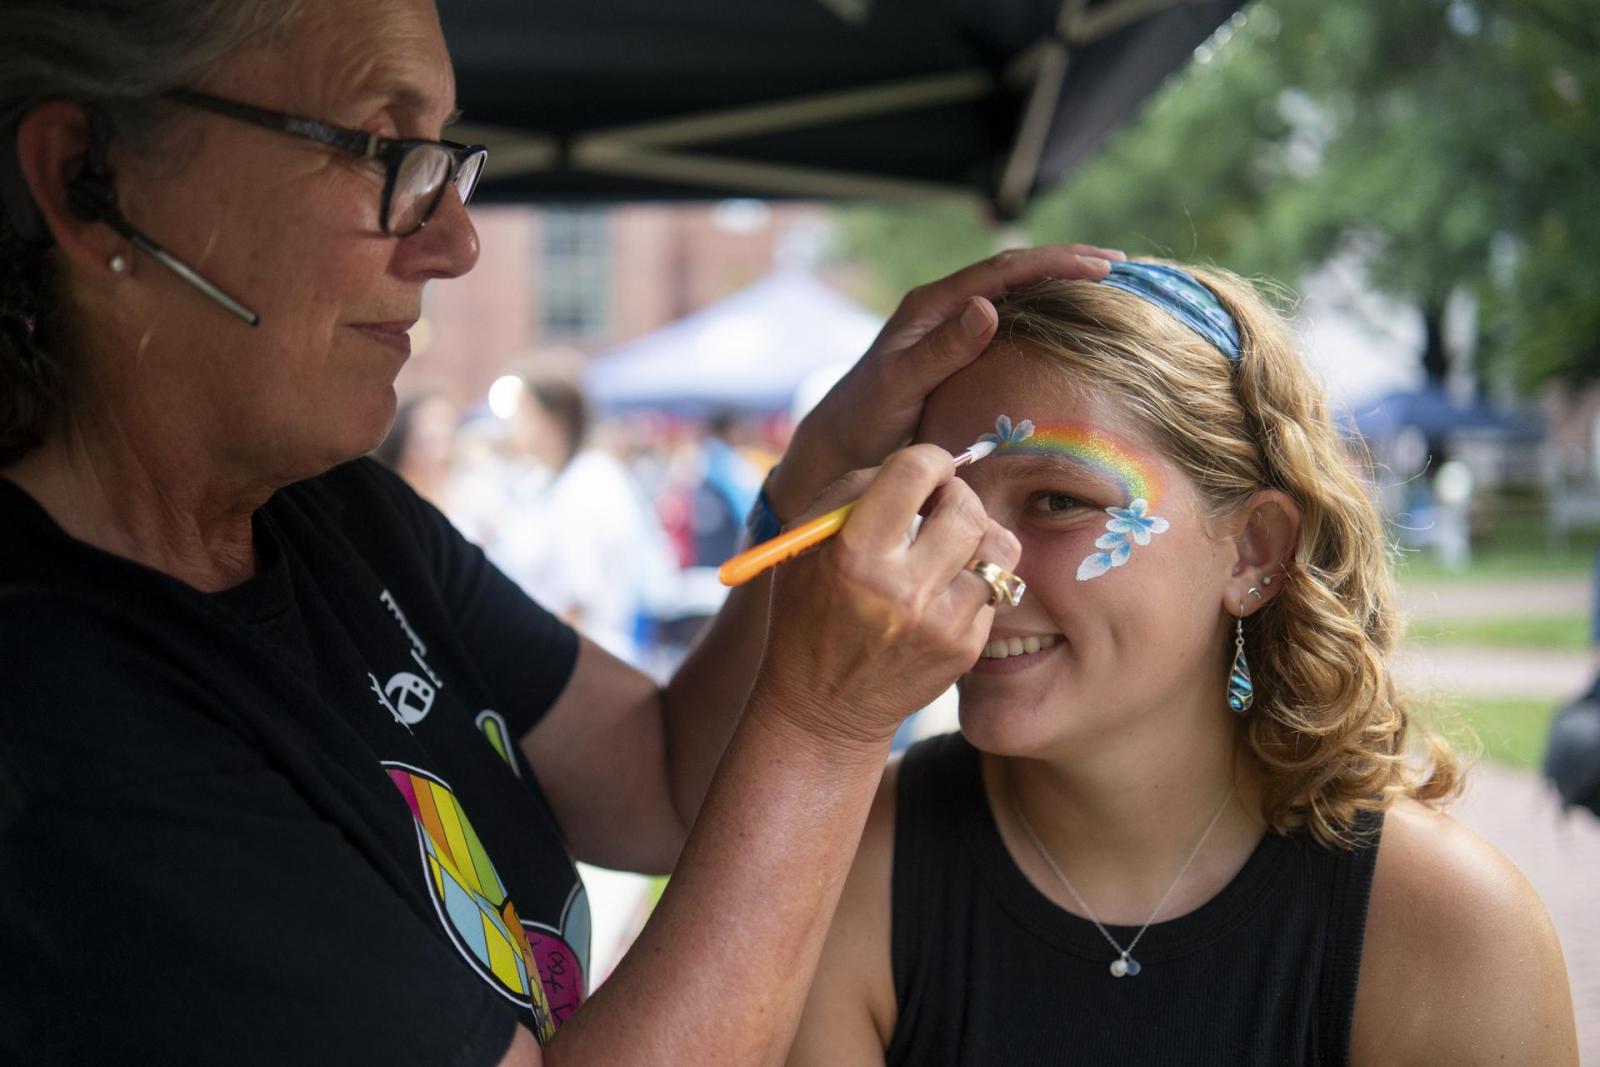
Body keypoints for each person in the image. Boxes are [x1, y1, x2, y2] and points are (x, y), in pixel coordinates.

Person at [0, 1, 1125, 1061]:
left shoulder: (331, 512)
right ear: (86, 179)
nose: (455, 241)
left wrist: (822, 470)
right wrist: (827, 723)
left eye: (445, 157)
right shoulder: (53, 709)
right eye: (380, 149)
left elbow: (662, 777)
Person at [788, 262, 1579, 1065]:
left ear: (1253, 550)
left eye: (1058, 500)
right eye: (934, 505)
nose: (967, 561)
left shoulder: (1448, 928)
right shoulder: (851, 866)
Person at [373, 389, 460, 507]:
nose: (443, 452)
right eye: (431, 438)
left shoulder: (461, 496)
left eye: (449, 434)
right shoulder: (388, 499)